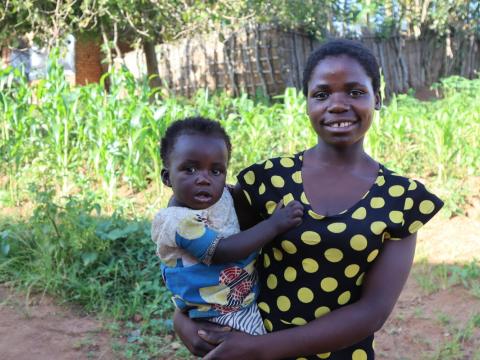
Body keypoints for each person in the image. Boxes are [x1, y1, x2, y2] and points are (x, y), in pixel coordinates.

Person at [173, 39, 444, 359]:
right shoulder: (267, 181)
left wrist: (260, 350)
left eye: (355, 92)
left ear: (378, 99)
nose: (338, 104)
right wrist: (182, 319)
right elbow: (210, 251)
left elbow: (373, 312)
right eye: (322, 94)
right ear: (307, 103)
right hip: (249, 339)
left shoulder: (401, 200)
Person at [151, 117, 304, 336]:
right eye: (190, 170)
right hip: (219, 313)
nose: (203, 179)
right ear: (167, 177)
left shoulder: (219, 195)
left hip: (238, 299)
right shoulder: (177, 222)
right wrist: (274, 225)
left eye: (215, 171)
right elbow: (223, 251)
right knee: (254, 349)